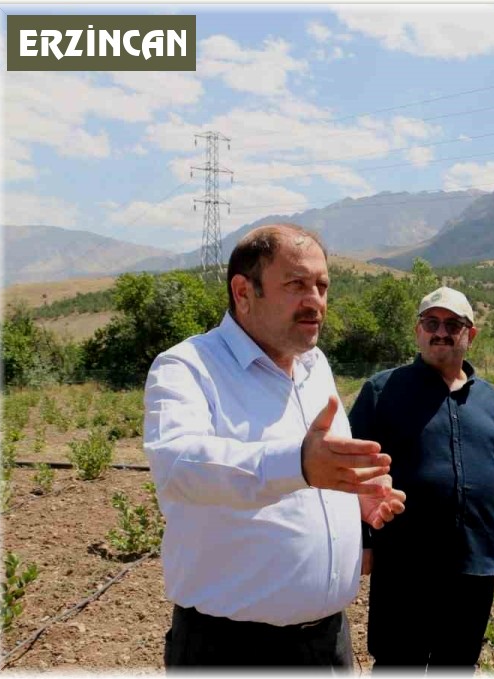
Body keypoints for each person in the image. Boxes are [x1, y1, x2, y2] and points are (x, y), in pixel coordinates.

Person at [144, 224, 406, 668]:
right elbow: (180, 467)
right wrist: (301, 464)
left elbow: (316, 464)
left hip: (329, 642)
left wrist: (351, 490)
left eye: (322, 286)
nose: (316, 301)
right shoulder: (187, 368)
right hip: (230, 649)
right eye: (297, 285)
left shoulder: (314, 365)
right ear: (243, 292)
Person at [349, 286, 494, 673]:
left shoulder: (489, 400)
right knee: (400, 664)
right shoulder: (383, 392)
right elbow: (353, 473)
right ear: (418, 331)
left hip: (475, 566)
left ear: (471, 334)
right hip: (406, 566)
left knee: (458, 664)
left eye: (453, 324)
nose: (441, 332)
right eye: (431, 323)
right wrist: (362, 540)